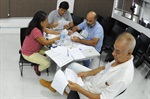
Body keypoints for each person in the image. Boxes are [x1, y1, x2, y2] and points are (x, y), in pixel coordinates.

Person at [40, 32, 136, 99]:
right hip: (94, 80)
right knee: (72, 66)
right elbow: (104, 67)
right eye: (114, 49)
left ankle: (65, 88)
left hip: (92, 93)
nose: (113, 54)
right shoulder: (120, 58)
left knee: (71, 79)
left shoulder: (123, 77)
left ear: (129, 53)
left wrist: (79, 89)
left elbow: (100, 98)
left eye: (117, 52)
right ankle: (57, 85)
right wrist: (88, 73)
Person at [21, 11, 60, 76]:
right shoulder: (36, 31)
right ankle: (37, 68)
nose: (47, 23)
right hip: (29, 53)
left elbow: (47, 30)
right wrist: (57, 38)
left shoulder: (38, 26)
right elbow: (45, 42)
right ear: (41, 22)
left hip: (37, 48)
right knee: (48, 63)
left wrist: (56, 33)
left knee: (51, 52)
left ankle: (41, 60)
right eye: (46, 21)